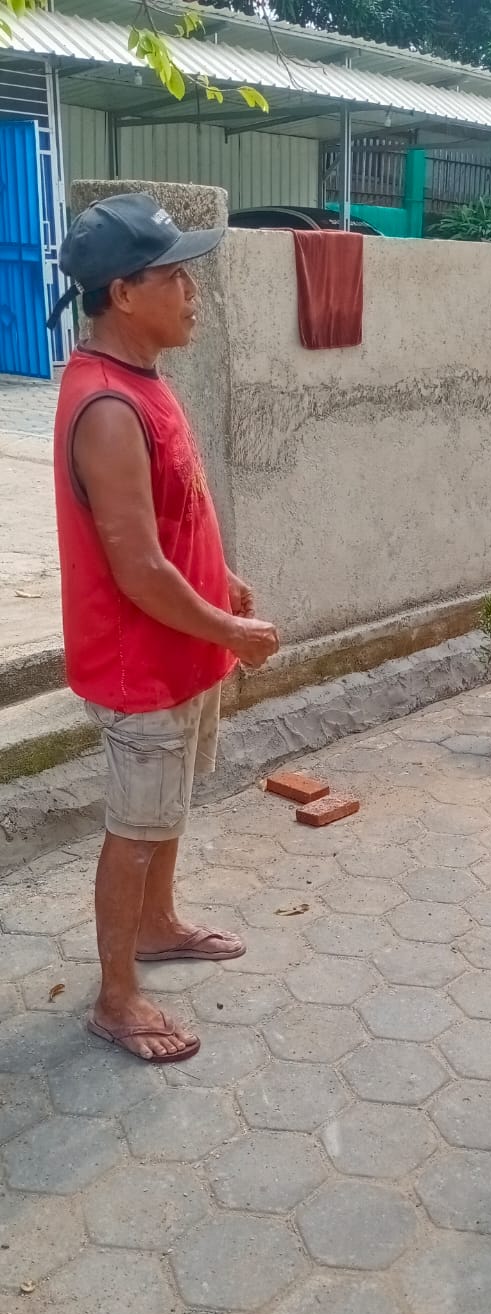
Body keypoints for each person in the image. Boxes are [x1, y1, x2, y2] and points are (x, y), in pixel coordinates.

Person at [51, 193, 280, 1064]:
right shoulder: (107, 406)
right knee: (136, 824)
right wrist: (229, 626)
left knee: (166, 809)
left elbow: (176, 516)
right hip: (140, 665)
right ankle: (115, 997)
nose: (192, 292)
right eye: (173, 277)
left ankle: (157, 924)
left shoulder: (144, 381)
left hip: (182, 648)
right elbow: (139, 569)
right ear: (122, 292)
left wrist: (221, 581)